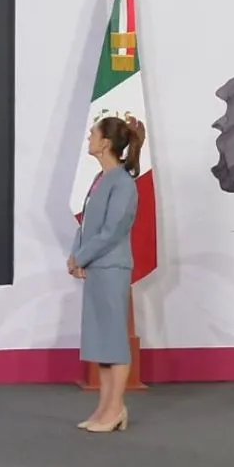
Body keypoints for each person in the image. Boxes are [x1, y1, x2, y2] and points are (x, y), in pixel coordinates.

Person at [67, 114, 145, 433]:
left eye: (93, 134)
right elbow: (87, 223)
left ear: (106, 143)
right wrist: (76, 255)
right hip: (96, 267)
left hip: (112, 268)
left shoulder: (123, 183)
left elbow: (112, 231)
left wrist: (81, 256)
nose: (89, 138)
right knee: (100, 341)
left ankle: (116, 409)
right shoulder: (100, 179)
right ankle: (103, 408)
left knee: (113, 340)